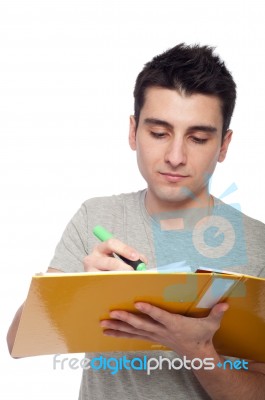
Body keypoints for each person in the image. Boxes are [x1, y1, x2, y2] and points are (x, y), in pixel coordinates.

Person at [7, 43, 265, 399]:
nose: (175, 156)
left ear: (224, 145)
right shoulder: (95, 217)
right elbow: (18, 345)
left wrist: (197, 351)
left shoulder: (258, 245)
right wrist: (76, 291)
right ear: (133, 132)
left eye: (199, 138)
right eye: (159, 134)